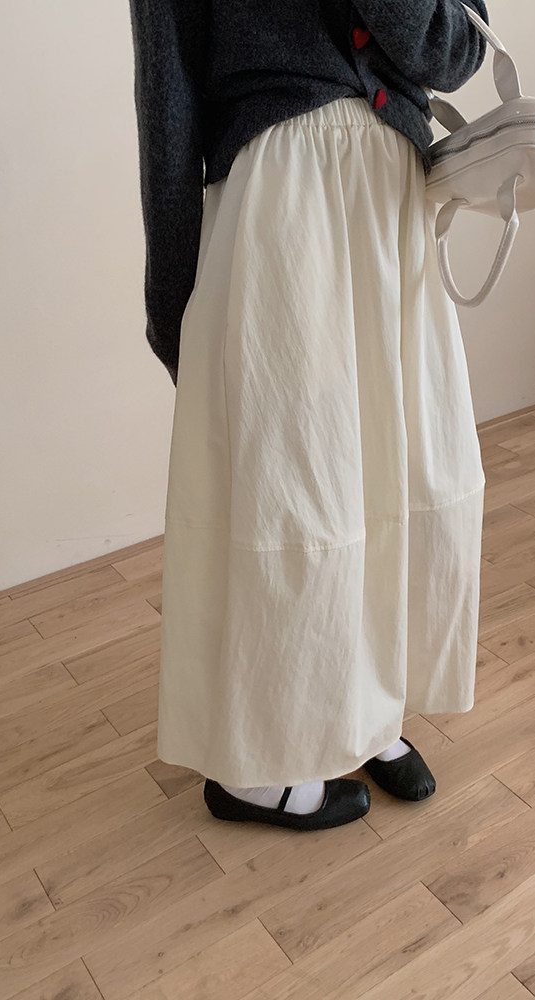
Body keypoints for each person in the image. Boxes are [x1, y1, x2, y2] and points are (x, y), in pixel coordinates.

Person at [127, 0, 489, 832]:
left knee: (396, 471)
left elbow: (455, 52)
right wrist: (173, 301)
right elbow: (166, 95)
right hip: (280, 197)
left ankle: (370, 709)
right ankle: (255, 772)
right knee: (296, 490)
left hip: (393, 198)